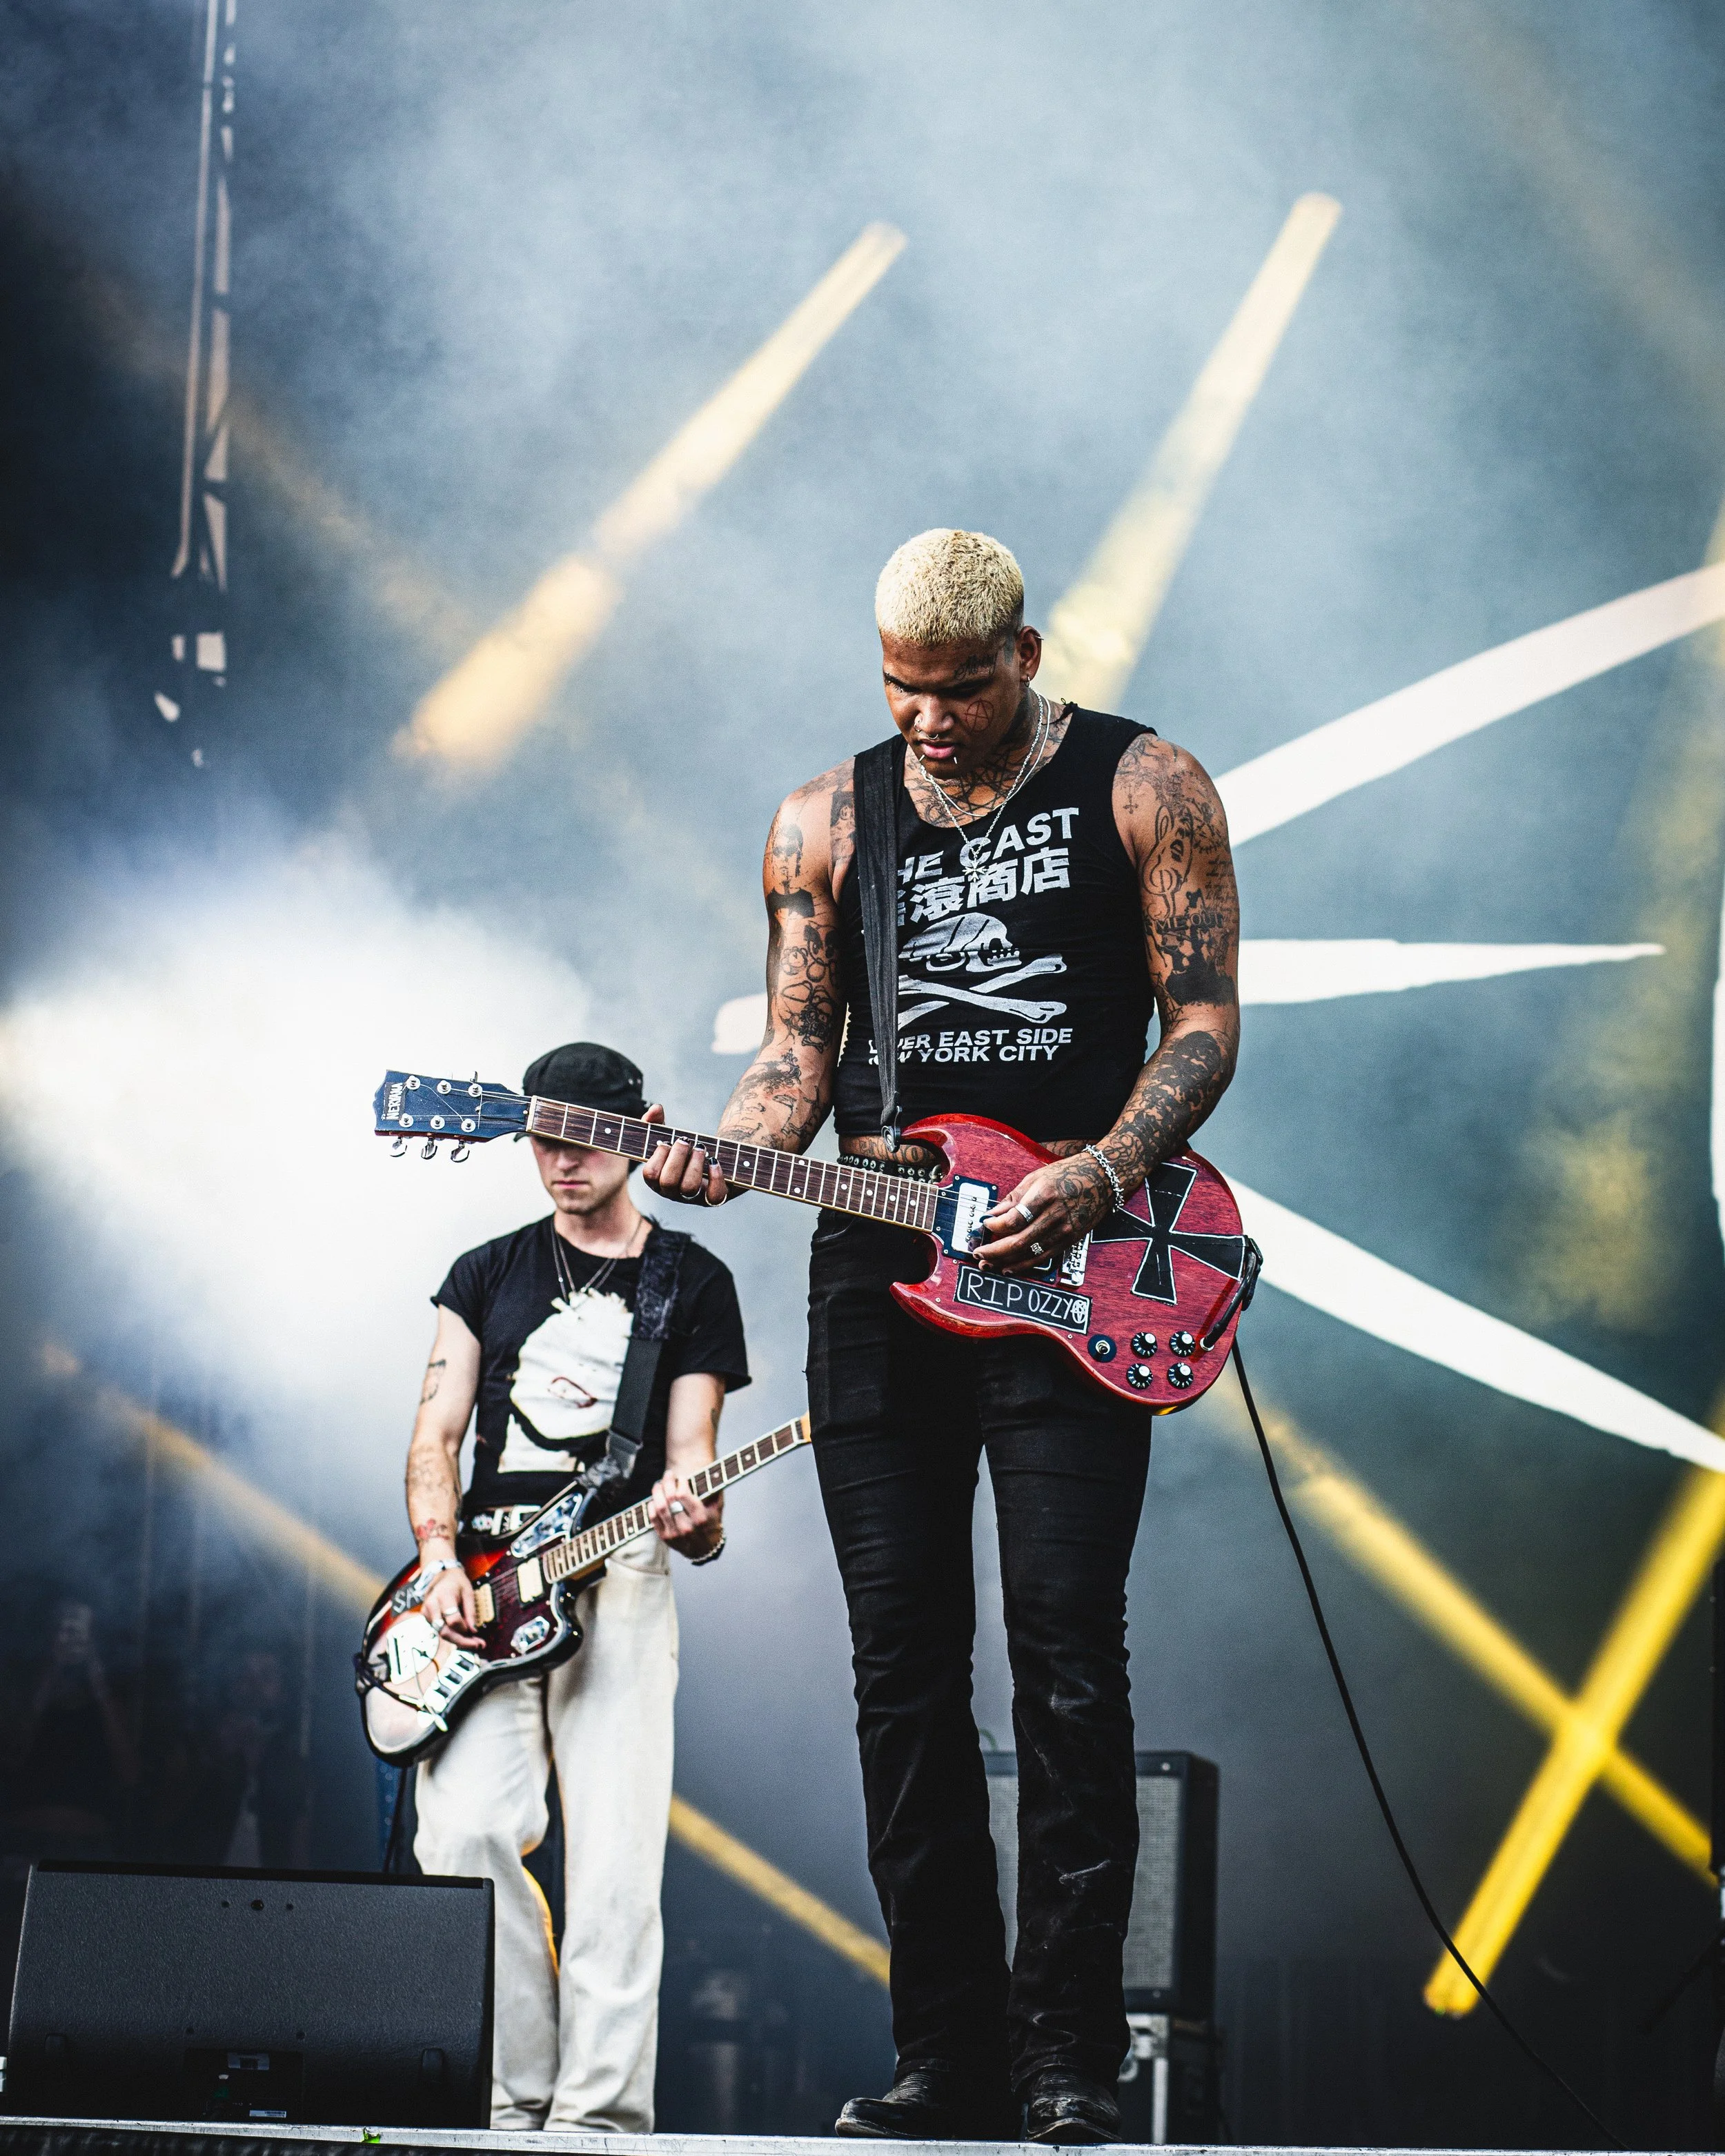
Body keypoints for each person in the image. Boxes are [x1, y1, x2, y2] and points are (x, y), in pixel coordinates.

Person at [642, 530, 1239, 2144]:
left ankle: (1066, 2056)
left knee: (1062, 1654)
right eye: (900, 691)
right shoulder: (824, 820)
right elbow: (794, 1045)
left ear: (1025, 655)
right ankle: (946, 2052)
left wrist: (1104, 1168)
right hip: (877, 1269)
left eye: (957, 690)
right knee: (900, 1669)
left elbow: (1198, 1018)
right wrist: (721, 1140)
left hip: (1074, 1271)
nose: (927, 723)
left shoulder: (1144, 784)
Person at [407, 1040, 750, 2133]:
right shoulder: (484, 1271)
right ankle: (509, 2106)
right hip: (489, 1579)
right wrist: (435, 1557)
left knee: (612, 1862)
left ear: (641, 1127)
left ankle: (596, 2123)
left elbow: (692, 1448)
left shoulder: (690, 1280)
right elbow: (437, 1430)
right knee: (459, 1836)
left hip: (619, 1568)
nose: (561, 1161)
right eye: (543, 1140)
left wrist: (695, 1517)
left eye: (586, 1139)